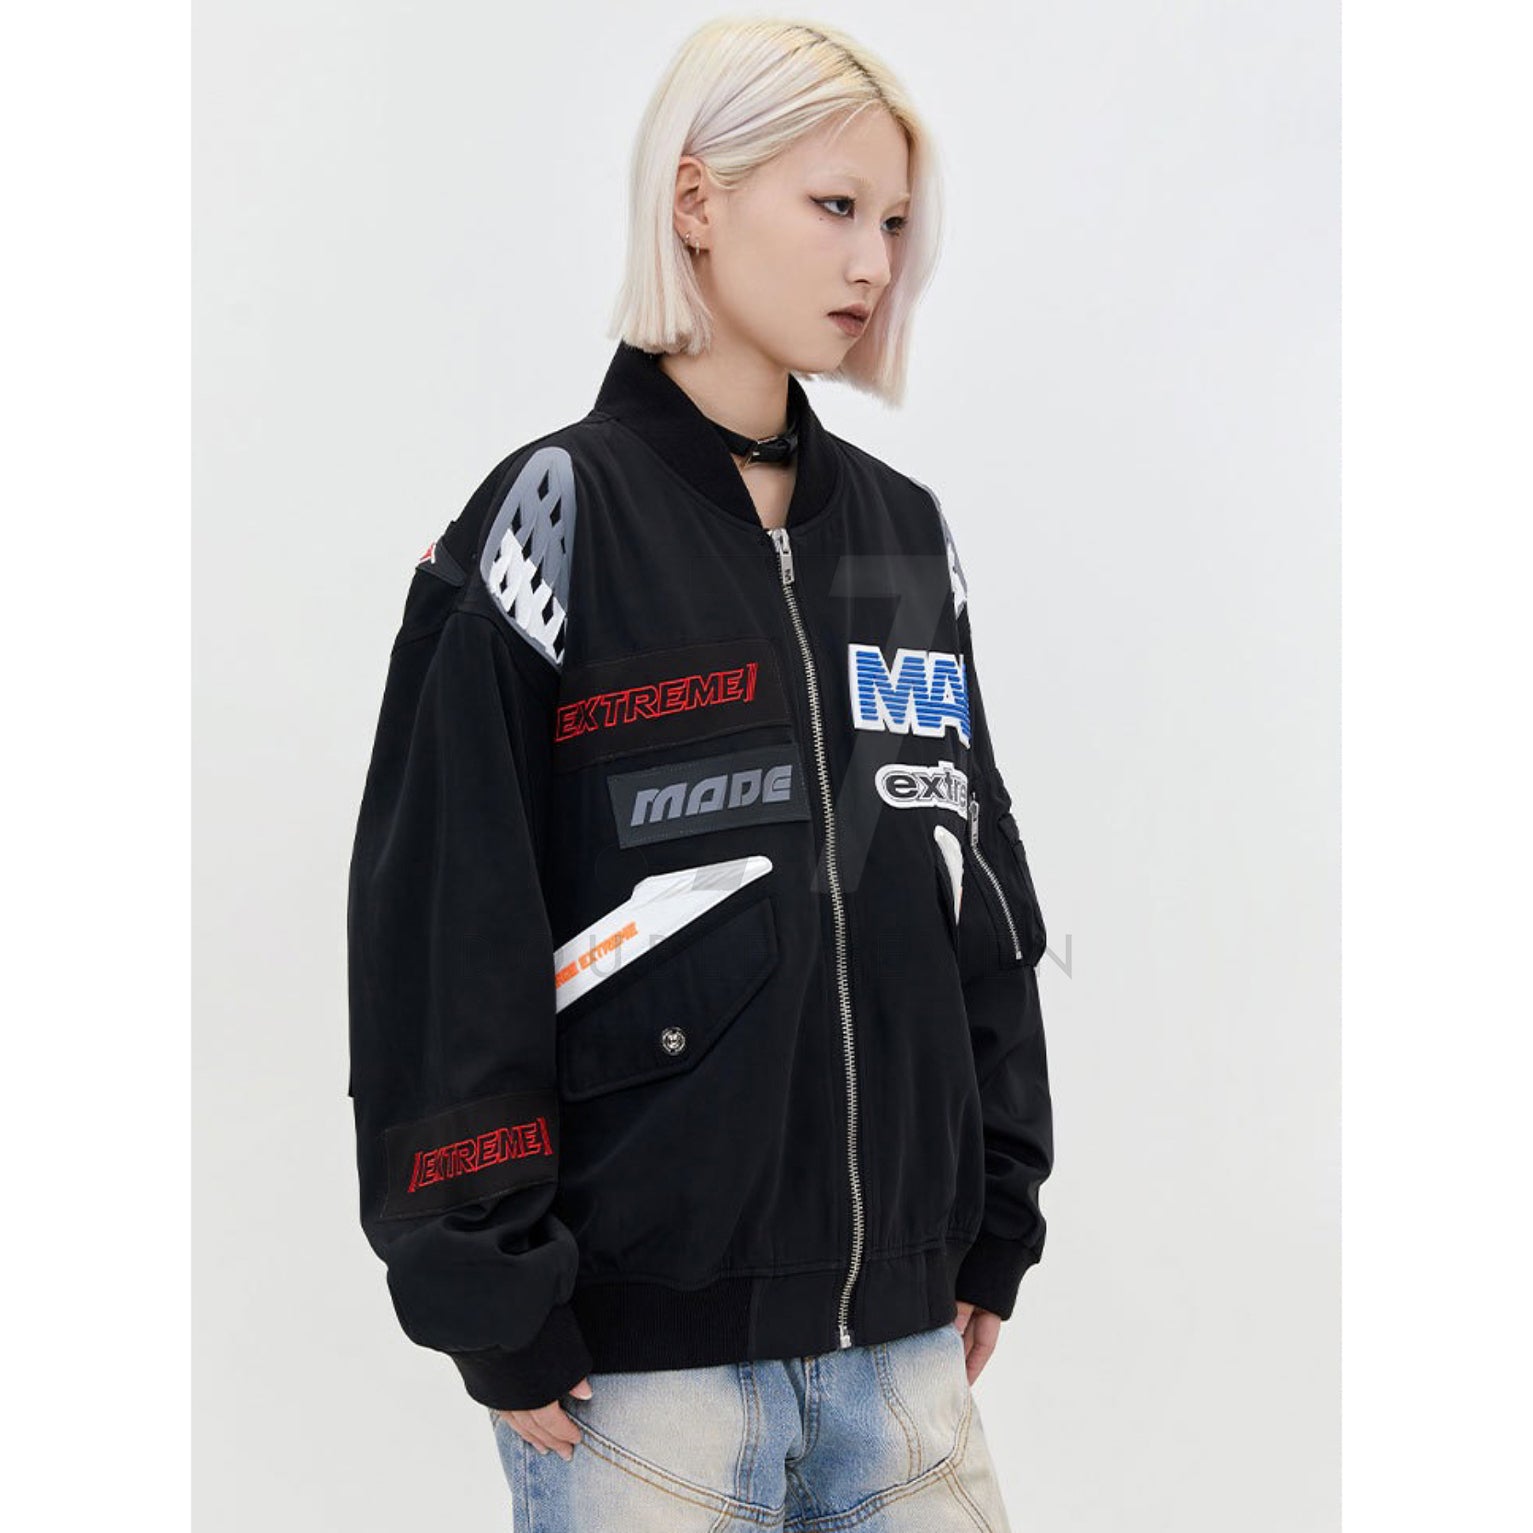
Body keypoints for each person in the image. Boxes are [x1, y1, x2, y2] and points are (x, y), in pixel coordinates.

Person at [346, 16, 1054, 1530]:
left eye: (894, 222)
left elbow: (972, 884)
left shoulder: (900, 538)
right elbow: (444, 922)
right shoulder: (554, 519)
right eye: (834, 206)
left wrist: (996, 1214)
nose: (873, 262)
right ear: (695, 201)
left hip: (906, 1359)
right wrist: (489, 1287)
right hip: (640, 1381)